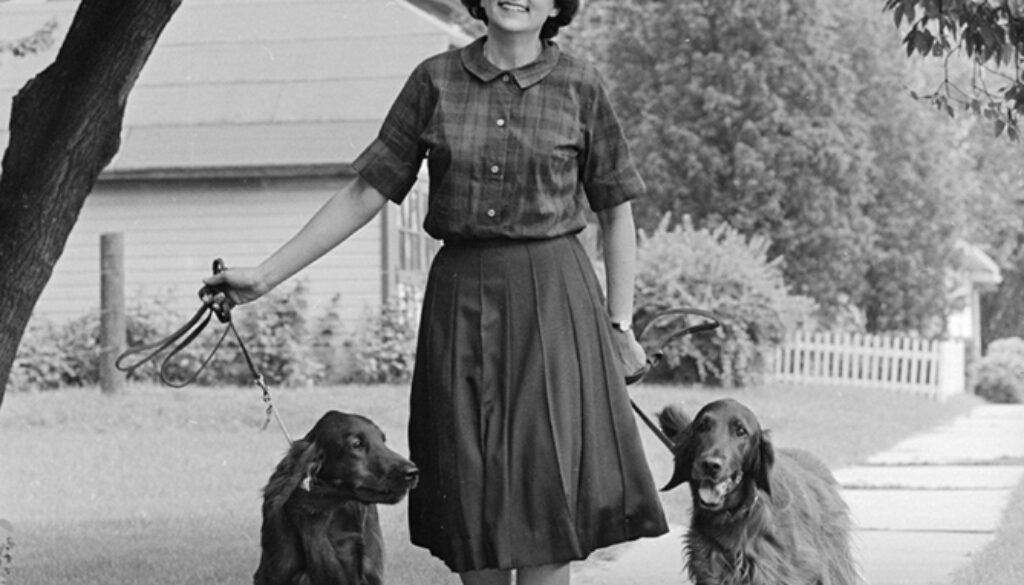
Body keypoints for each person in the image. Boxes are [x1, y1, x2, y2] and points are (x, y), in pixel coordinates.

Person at [202, 1, 668, 584]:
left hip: (554, 304)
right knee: (471, 497)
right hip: (461, 303)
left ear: (557, 4)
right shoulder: (434, 80)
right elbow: (366, 193)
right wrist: (264, 277)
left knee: (546, 497)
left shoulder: (582, 84)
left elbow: (616, 212)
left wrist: (619, 325)